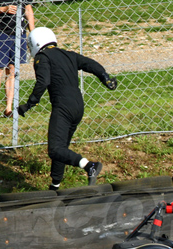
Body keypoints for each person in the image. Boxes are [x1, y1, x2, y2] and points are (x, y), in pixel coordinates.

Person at [17, 27, 118, 189]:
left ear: (36, 43)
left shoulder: (43, 58)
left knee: (55, 149)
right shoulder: (68, 54)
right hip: (78, 106)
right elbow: (89, 63)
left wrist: (29, 104)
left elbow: (43, 82)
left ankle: (89, 166)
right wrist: (105, 77)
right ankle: (55, 185)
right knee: (61, 148)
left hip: (63, 107)